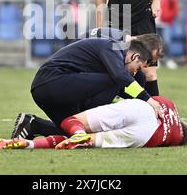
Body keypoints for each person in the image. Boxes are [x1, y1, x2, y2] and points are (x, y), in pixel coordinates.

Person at [11, 31, 165, 140]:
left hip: (51, 91)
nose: (135, 72)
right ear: (135, 56)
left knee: (76, 131)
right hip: (51, 83)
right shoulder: (111, 46)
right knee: (116, 80)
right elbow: (119, 77)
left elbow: (129, 81)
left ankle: (33, 124)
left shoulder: (121, 59)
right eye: (138, 67)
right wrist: (148, 100)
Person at [0, 96, 187, 150]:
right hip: (145, 136)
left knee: (75, 122)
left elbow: (152, 95)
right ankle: (32, 144)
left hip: (141, 108)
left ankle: (35, 139)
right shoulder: (176, 138)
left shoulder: (169, 105)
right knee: (87, 140)